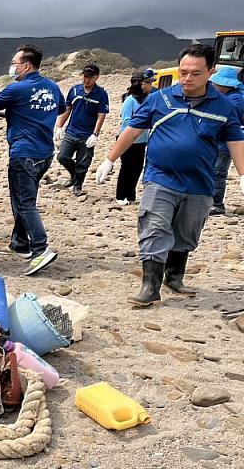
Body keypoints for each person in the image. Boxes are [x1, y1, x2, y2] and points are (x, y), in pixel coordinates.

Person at [96, 44, 244, 306]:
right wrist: (109, 159)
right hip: (160, 177)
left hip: (199, 182)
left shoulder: (224, 107)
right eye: (183, 72)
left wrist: (243, 175)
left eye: (196, 73)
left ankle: (174, 276)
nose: (187, 78)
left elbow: (235, 141)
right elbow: (132, 130)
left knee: (186, 231)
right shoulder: (159, 99)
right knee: (154, 225)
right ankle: (150, 286)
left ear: (211, 71)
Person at [0, 44, 66, 275]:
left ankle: (41, 248)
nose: (12, 67)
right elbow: (61, 109)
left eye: (14, 64)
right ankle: (20, 243)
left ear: (26, 65)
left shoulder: (17, 89)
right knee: (23, 200)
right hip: (45, 154)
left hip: (24, 154)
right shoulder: (52, 86)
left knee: (25, 203)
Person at [54, 64, 110, 195]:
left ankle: (77, 186)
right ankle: (74, 176)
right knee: (62, 156)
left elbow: (101, 116)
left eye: (90, 77)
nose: (86, 80)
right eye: (85, 76)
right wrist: (59, 127)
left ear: (96, 77)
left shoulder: (101, 94)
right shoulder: (74, 90)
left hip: (87, 135)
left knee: (83, 162)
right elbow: (68, 109)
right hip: (72, 132)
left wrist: (95, 134)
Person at [115, 69, 156, 204]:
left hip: (141, 141)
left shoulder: (149, 99)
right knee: (126, 168)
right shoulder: (130, 100)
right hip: (127, 140)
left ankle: (131, 195)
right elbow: (126, 121)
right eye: (148, 82)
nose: (151, 85)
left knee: (137, 169)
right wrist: (143, 126)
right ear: (141, 84)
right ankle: (121, 195)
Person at [209, 65, 244, 215]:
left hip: (226, 142)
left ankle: (217, 203)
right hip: (226, 141)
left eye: (216, 84)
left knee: (218, 171)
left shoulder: (234, 101)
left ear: (225, 84)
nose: (214, 86)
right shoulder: (235, 97)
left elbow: (225, 121)